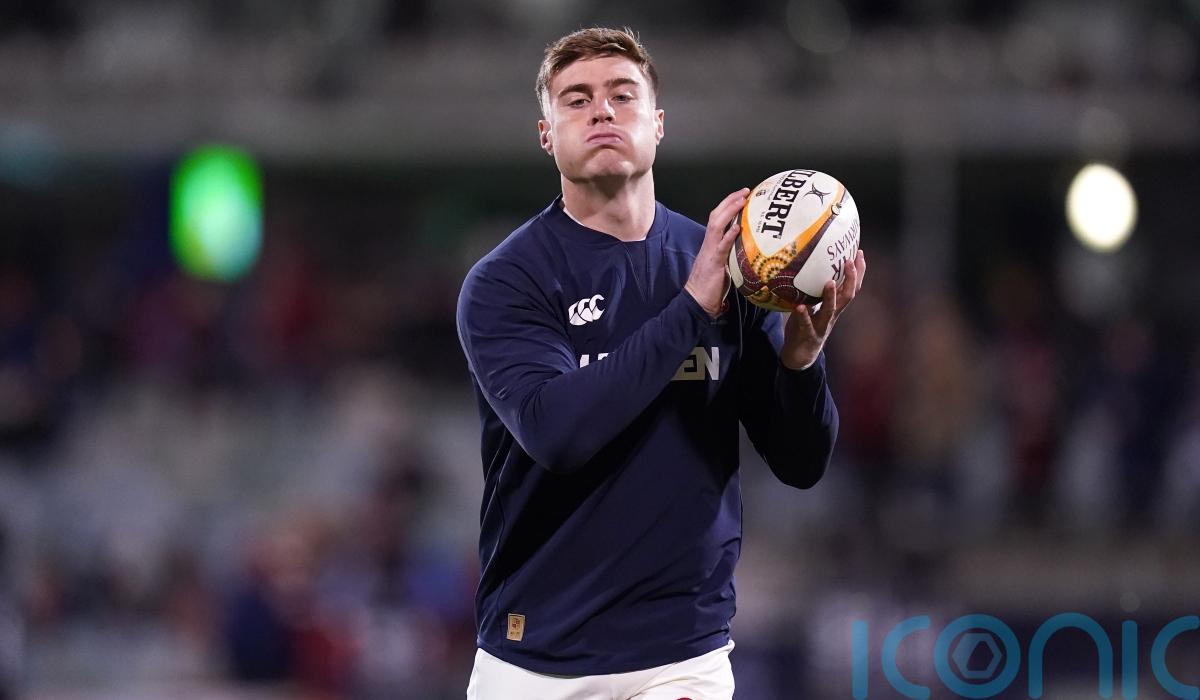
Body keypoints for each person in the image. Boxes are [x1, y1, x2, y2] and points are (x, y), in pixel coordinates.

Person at [455, 26, 865, 699]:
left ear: (658, 123)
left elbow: (800, 463)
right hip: (535, 656)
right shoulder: (508, 280)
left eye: (623, 95)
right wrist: (691, 308)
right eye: (577, 100)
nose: (602, 111)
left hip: (683, 655)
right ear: (547, 135)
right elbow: (559, 434)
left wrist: (800, 363)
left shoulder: (736, 266)